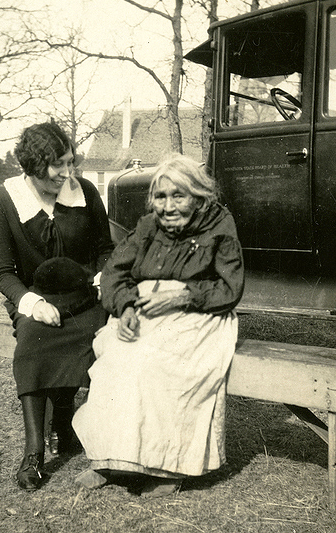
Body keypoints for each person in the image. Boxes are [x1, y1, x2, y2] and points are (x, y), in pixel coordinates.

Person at [72, 153, 244, 497]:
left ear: (197, 196)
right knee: (113, 363)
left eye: (177, 196)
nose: (167, 206)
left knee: (158, 367)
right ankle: (110, 460)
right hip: (144, 312)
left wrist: (183, 296)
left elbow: (230, 287)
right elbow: (114, 273)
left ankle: (168, 468)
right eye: (160, 197)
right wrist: (126, 307)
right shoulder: (149, 226)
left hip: (199, 314)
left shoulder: (219, 225)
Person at [0, 121, 113, 491]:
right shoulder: (4, 200)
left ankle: (64, 418)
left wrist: (103, 278)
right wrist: (31, 302)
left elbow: (105, 249)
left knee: (96, 336)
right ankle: (34, 451)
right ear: (32, 166)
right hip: (34, 298)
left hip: (85, 296)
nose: (67, 173)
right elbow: (2, 272)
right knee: (33, 341)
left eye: (70, 162)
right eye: (57, 165)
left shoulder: (85, 192)